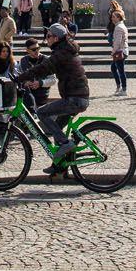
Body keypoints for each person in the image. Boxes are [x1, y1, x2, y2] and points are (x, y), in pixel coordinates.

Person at [19, 24, 90, 174]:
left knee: (42, 112)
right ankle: (59, 165)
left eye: (49, 36)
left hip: (74, 99)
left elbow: (43, 68)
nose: (46, 39)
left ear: (56, 38)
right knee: (57, 127)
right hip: (77, 97)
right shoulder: (65, 50)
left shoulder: (61, 53)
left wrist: (20, 77)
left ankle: (65, 143)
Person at [17, 38, 56, 109]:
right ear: (27, 50)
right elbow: (19, 78)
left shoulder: (46, 60)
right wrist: (25, 83)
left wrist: (40, 83)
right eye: (34, 49)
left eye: (38, 48)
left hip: (42, 93)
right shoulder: (23, 61)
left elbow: (53, 80)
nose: (37, 51)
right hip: (27, 93)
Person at [109, 9, 130, 95]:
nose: (112, 18)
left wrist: (113, 52)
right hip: (122, 50)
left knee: (120, 70)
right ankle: (119, 87)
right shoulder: (121, 26)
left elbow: (117, 42)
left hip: (120, 51)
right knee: (114, 68)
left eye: (114, 17)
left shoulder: (118, 27)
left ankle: (123, 89)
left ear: (118, 18)